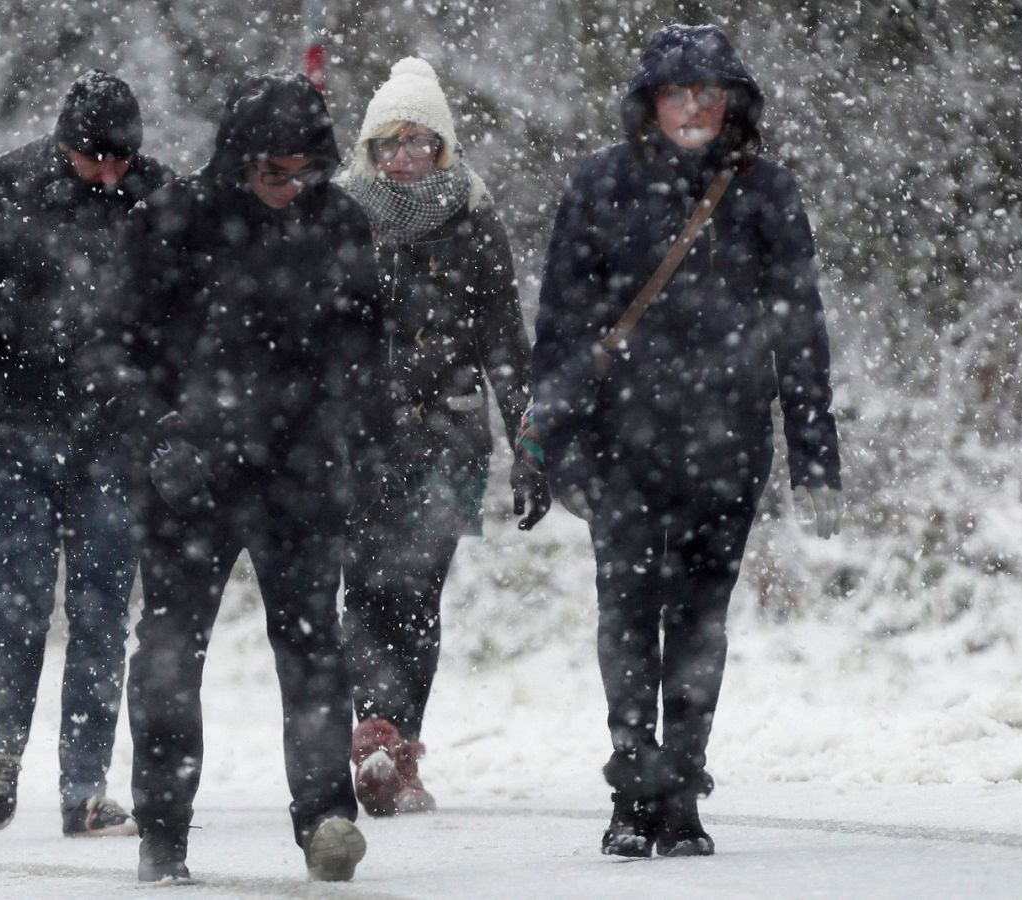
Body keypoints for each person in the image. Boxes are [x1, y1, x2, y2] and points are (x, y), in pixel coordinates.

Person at [528, 25, 845, 858]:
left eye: (711, 93)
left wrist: (815, 451)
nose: (697, 108)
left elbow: (799, 328)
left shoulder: (764, 191)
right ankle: (634, 783)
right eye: (680, 93)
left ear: (735, 104)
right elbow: (562, 323)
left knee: (701, 617)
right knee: (627, 609)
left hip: (728, 441)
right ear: (651, 105)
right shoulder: (600, 183)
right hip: (618, 441)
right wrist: (551, 444)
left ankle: (682, 787)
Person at [117, 72, 381, 883]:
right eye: (275, 171)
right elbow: (122, 355)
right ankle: (163, 831)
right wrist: (160, 439)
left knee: (312, 649)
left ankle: (327, 818)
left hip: (299, 473)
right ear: (238, 159)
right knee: (168, 651)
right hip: (189, 477)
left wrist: (361, 447)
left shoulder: (338, 222)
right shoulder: (170, 222)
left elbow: (364, 348)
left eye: (305, 170)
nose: (289, 187)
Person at [0, 68, 171, 837]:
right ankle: (1, 750)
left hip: (115, 438)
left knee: (101, 615)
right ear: (64, 145)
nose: (107, 173)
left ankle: (85, 788)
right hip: (13, 433)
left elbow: (182, 321)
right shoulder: (4, 188)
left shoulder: (159, 199)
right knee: (20, 600)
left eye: (119, 161)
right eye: (94, 159)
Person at [334, 57, 550, 818]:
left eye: (417, 141)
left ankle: (400, 748)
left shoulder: (474, 216)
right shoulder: (340, 215)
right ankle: (372, 735)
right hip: (359, 436)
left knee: (418, 594)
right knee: (364, 589)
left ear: (441, 147)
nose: (401, 155)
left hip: (449, 436)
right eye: (388, 141)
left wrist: (531, 440)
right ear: (369, 147)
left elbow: (502, 338)